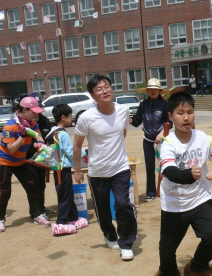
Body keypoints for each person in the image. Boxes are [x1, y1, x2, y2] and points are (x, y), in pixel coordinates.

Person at [149, 91, 212, 276]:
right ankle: (168, 272)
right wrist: (189, 175)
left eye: (190, 112)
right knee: (167, 247)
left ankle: (197, 267)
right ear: (170, 116)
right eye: (180, 113)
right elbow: (168, 171)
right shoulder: (167, 143)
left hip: (200, 199)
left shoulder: (203, 138)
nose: (186, 117)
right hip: (174, 204)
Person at [73, 75, 138, 260]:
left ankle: (126, 243)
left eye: (107, 86)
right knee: (102, 209)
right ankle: (110, 235)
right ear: (93, 96)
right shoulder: (86, 117)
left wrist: (115, 150)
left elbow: (122, 131)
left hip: (120, 167)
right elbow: (77, 145)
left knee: (123, 203)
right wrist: (78, 169)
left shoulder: (122, 110)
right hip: (97, 171)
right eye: (99, 89)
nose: (105, 91)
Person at [0, 96, 51, 231]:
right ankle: (0, 218)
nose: (36, 113)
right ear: (24, 109)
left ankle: (37, 215)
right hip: (5, 162)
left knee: (32, 186)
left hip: (20, 161)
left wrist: (39, 143)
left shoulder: (33, 124)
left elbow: (38, 136)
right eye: (33, 111)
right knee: (4, 192)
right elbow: (11, 149)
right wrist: (22, 137)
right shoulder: (10, 125)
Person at [46, 104, 89, 235]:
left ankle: (73, 218)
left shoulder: (52, 131)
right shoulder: (62, 134)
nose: (72, 119)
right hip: (63, 169)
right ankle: (61, 222)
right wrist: (84, 152)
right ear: (63, 117)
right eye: (70, 116)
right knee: (65, 195)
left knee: (67, 193)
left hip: (57, 169)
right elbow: (70, 151)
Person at [131, 78, 173, 202]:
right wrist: (125, 118)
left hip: (162, 141)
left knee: (165, 166)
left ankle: (167, 190)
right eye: (151, 89)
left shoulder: (165, 104)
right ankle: (150, 192)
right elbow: (136, 121)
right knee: (149, 168)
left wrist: (161, 134)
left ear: (159, 91)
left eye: (155, 89)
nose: (153, 91)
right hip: (147, 140)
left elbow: (169, 121)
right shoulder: (143, 104)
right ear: (147, 91)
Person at [25, 92, 53, 218]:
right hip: (28, 159)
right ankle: (35, 212)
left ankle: (41, 207)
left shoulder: (44, 120)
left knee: (41, 183)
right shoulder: (24, 123)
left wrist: (48, 145)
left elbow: (49, 138)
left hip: (42, 158)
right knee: (33, 185)